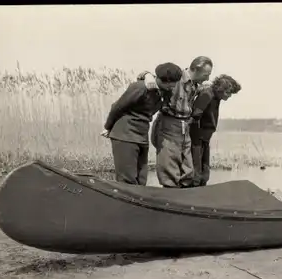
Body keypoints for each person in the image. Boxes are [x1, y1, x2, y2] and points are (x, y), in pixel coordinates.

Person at [100, 62, 183, 186]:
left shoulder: (163, 92)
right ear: (160, 80)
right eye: (170, 85)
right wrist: (108, 127)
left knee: (141, 178)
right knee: (127, 179)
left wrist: (146, 74)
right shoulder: (140, 88)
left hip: (141, 135)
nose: (173, 88)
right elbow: (117, 107)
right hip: (125, 135)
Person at [138, 56, 214, 188]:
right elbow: (147, 77)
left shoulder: (196, 84)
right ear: (195, 69)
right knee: (169, 167)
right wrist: (147, 75)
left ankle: (183, 195)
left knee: (188, 168)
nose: (207, 78)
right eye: (206, 75)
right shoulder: (176, 77)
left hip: (184, 127)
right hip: (169, 124)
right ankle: (170, 196)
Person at [189, 74, 242, 187]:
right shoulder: (207, 95)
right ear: (220, 89)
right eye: (228, 92)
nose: (229, 96)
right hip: (198, 138)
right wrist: (197, 138)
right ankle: (194, 191)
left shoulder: (215, 97)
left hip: (205, 138)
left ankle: (201, 189)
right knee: (196, 170)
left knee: (204, 170)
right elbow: (195, 116)